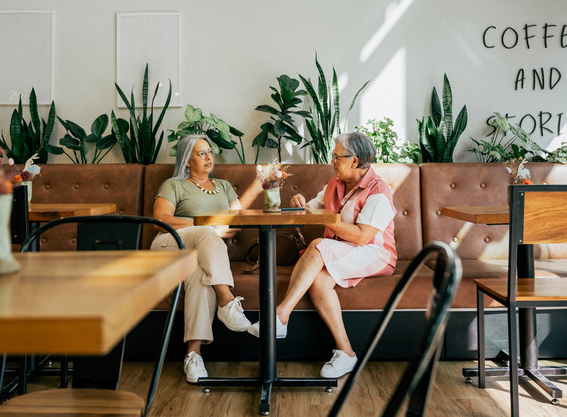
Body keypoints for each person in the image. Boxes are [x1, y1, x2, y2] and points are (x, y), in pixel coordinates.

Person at [248, 132, 397, 378]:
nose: (332, 161)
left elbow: (362, 237)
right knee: (318, 281)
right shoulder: (334, 184)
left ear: (355, 161)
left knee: (319, 244)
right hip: (342, 250)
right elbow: (312, 209)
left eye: (337, 157)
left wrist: (322, 220)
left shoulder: (378, 191)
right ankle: (347, 353)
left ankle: (281, 315)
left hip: (374, 253)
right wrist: (301, 203)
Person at [150, 134, 252, 383]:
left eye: (209, 152)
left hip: (201, 255)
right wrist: (205, 226)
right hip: (169, 245)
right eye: (201, 153)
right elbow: (161, 220)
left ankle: (193, 356)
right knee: (206, 232)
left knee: (200, 277)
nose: (209, 158)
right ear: (187, 161)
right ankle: (227, 301)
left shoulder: (225, 186)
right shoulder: (173, 185)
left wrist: (214, 231)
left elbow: (237, 223)